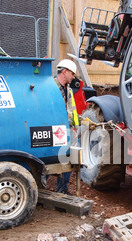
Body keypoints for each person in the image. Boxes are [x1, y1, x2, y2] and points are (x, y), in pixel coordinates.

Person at [54, 59, 80, 195]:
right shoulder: (51, 87)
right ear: (65, 72)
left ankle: (62, 190)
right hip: (54, 130)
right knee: (50, 159)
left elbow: (71, 110)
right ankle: (41, 189)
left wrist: (76, 126)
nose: (74, 77)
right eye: (72, 73)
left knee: (67, 159)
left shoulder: (68, 89)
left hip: (68, 130)